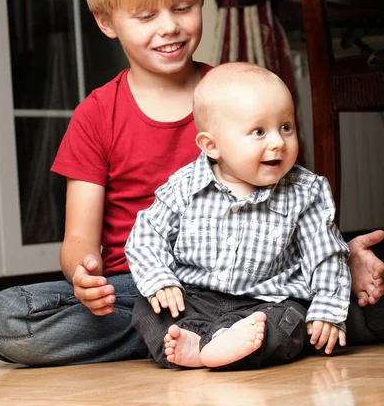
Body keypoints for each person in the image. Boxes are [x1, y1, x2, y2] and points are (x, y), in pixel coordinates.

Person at [0, 0, 384, 368]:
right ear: (106, 22)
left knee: (374, 291)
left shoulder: (238, 92)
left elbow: (291, 195)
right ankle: (225, 332)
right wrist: (85, 275)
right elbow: (79, 238)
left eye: (183, 7)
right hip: (146, 289)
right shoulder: (96, 114)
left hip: (263, 277)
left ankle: (214, 336)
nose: (170, 27)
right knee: (9, 318)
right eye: (145, 17)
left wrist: (337, 257)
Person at [126, 63, 362, 370]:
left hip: (267, 303)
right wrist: (160, 280)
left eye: (286, 127)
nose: (278, 142)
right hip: (196, 299)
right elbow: (146, 236)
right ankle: (202, 345)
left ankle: (219, 347)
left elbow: (326, 255)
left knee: (291, 322)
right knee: (147, 309)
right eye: (259, 131)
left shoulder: (306, 191)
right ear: (212, 146)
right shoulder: (183, 187)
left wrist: (328, 309)